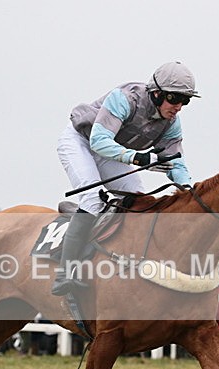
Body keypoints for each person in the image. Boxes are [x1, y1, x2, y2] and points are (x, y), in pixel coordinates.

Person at [52, 61, 198, 296]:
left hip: (113, 151)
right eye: (174, 98)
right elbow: (98, 142)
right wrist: (137, 157)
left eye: (185, 101)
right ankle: (64, 274)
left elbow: (175, 161)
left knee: (136, 202)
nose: (178, 106)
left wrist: (189, 189)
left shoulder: (171, 123)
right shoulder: (125, 98)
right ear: (157, 93)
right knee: (92, 200)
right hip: (81, 142)